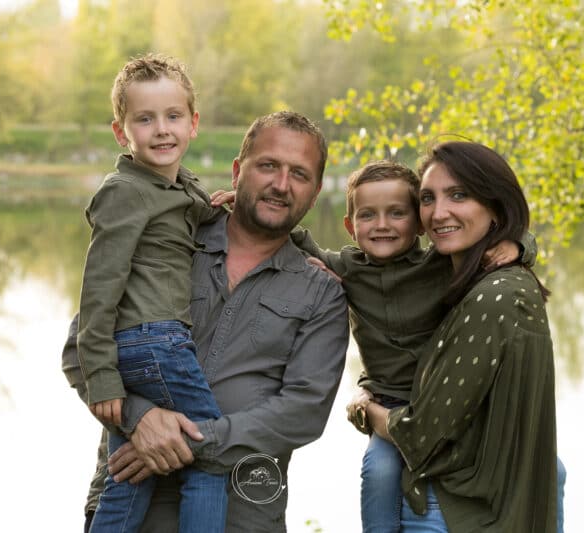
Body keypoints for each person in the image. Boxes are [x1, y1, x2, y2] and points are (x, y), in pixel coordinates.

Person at [63, 111, 349, 533]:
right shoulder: (167, 238)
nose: (281, 184)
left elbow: (302, 412)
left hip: (242, 516)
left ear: (315, 192)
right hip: (129, 503)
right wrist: (139, 419)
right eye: (268, 165)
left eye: (299, 174)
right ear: (238, 171)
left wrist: (187, 441)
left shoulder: (321, 292)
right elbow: (80, 348)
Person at [287, 160, 536, 532]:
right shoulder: (347, 269)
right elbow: (295, 239)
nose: (382, 224)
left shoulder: (441, 265)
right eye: (368, 215)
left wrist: (519, 243)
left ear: (420, 222)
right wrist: (242, 205)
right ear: (350, 226)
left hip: (444, 402)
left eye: (397, 213)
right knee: (379, 471)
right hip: (387, 404)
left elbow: (502, 237)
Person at [363, 141, 558, 532]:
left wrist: (363, 409)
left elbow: (419, 434)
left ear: (496, 206)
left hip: (454, 511)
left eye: (459, 195)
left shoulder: (494, 297)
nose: (439, 212)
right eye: (427, 198)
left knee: (376, 469)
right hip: (483, 501)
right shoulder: (462, 277)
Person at [76, 53, 226, 533]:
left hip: (146, 344)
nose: (162, 130)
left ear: (193, 124)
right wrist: (100, 375)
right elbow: (99, 289)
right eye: (145, 119)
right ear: (122, 133)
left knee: (128, 468)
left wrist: (224, 201)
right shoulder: (123, 191)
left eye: (173, 116)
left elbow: (193, 210)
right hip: (155, 342)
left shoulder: (172, 188)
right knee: (210, 451)